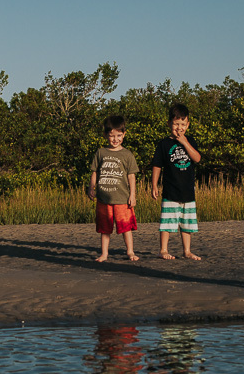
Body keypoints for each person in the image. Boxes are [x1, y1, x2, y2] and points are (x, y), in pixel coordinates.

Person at [150, 103, 203, 260]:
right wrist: (154, 184)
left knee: (187, 224)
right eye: (176, 124)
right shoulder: (164, 144)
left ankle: (186, 251)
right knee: (167, 222)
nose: (179, 127)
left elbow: (197, 158)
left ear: (187, 124)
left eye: (182, 124)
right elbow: (157, 165)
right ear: (169, 124)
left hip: (188, 192)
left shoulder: (191, 141)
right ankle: (163, 250)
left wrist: (185, 142)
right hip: (170, 191)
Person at [87, 115, 140, 262]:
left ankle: (130, 251)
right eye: (112, 136)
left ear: (124, 134)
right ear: (105, 135)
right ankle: (104, 253)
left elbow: (131, 176)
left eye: (118, 135)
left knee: (126, 226)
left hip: (122, 198)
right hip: (104, 198)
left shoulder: (127, 154)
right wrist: (91, 187)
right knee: (105, 228)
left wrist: (133, 195)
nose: (115, 139)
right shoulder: (101, 152)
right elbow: (94, 172)